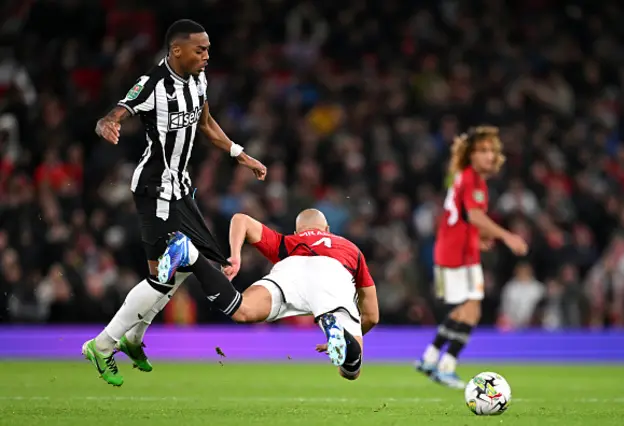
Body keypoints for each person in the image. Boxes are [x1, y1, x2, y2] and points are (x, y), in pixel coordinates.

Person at [83, 19, 267, 387]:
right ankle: (102, 345)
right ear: (176, 50)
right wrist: (107, 123)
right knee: (163, 275)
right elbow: (120, 108)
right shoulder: (153, 83)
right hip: (156, 192)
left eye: (209, 49)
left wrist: (239, 154)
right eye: (201, 49)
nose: (207, 56)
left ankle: (133, 337)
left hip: (181, 191)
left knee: (178, 270)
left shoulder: (198, 81)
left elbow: (206, 122)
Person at [159, 209, 379, 380]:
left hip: (289, 269)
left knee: (241, 309)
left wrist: (235, 256)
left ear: (297, 231)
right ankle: (336, 331)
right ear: (328, 229)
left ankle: (191, 254)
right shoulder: (352, 250)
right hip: (333, 273)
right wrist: (349, 336)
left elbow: (241, 219)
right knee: (350, 371)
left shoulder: (288, 242)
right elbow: (372, 315)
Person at [415, 126, 528, 388]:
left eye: (492, 151)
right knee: (470, 309)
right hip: (455, 254)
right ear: (470, 154)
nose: (489, 156)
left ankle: (430, 358)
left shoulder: (469, 179)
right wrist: (507, 236)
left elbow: (461, 218)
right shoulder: (470, 179)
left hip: (463, 251)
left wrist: (477, 238)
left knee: (465, 309)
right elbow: (474, 216)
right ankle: (445, 365)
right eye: (482, 150)